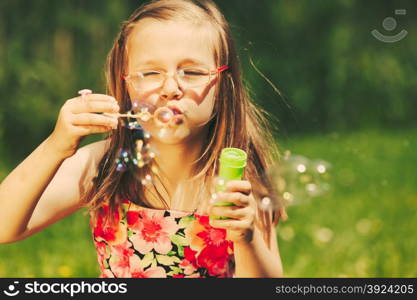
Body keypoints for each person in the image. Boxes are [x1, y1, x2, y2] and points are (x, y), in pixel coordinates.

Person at [0, 0, 287, 278]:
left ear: (224, 85)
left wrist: (246, 239)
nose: (171, 88)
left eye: (192, 72)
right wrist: (55, 146)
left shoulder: (236, 179)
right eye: (150, 73)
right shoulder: (104, 165)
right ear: (126, 83)